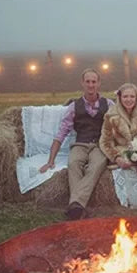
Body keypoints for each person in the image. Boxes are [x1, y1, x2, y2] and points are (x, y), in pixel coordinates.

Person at [39, 68, 111, 220]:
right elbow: (61, 134)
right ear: (82, 83)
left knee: (96, 166)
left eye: (94, 82)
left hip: (99, 145)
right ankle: (78, 206)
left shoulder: (109, 104)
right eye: (88, 82)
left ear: (99, 84)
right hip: (80, 144)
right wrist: (50, 161)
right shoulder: (74, 107)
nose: (91, 85)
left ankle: (75, 205)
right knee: (73, 163)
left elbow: (117, 127)